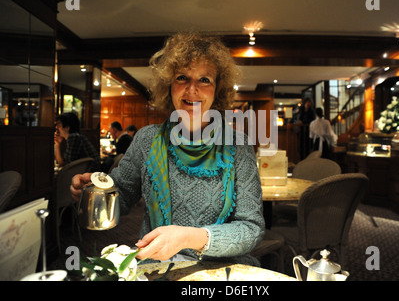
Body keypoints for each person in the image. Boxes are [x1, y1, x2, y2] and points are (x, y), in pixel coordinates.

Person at [70, 32, 265, 265]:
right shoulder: (146, 140)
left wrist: (190, 238)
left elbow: (251, 228)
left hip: (222, 266)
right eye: (182, 77)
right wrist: (95, 195)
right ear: (169, 85)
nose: (192, 89)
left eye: (205, 80)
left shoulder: (239, 146)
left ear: (218, 88)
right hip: (158, 265)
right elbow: (121, 195)